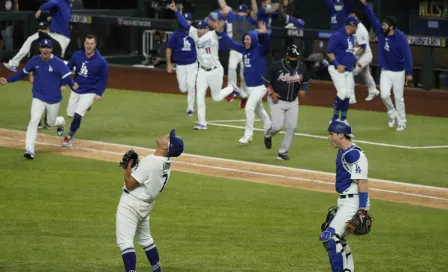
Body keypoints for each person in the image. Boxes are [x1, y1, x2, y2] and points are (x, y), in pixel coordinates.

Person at [116, 129, 184, 272]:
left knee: (125, 242)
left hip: (131, 204)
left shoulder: (150, 163)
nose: (165, 135)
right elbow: (146, 176)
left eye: (168, 138)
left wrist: (127, 167)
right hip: (145, 206)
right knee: (146, 239)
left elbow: (129, 184)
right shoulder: (166, 162)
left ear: (166, 147)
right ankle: (157, 270)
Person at [0, 39, 78, 159]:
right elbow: (23, 73)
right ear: (40, 49)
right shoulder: (34, 60)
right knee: (34, 121)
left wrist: (74, 86)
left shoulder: (58, 63)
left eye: (48, 47)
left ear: (51, 49)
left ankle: (60, 122)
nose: (45, 49)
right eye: (43, 47)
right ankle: (29, 149)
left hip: (53, 99)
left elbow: (67, 77)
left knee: (50, 123)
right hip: (38, 97)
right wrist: (8, 80)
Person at [169, 2, 241, 131]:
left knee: (217, 97)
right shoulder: (194, 33)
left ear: (207, 29)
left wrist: (223, 18)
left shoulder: (213, 34)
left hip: (215, 70)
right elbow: (184, 23)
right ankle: (202, 123)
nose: (200, 30)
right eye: (199, 28)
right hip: (202, 71)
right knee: (199, 95)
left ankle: (232, 87)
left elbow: (219, 29)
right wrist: (175, 11)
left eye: (202, 28)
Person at [320, 120, 370, 272]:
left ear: (341, 135)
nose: (329, 138)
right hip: (345, 201)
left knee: (329, 238)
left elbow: (362, 182)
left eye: (331, 134)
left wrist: (361, 210)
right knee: (339, 240)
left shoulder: (354, 155)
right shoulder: (343, 152)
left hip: (354, 202)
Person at [360, 0, 413, 131]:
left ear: (391, 27)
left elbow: (407, 55)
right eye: (382, 24)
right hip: (385, 71)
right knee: (384, 95)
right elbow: (372, 19)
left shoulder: (400, 37)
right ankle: (391, 113)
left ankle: (402, 121)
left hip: (399, 72)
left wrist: (409, 72)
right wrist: (365, 5)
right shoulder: (380, 32)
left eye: (385, 25)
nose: (382, 27)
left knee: (399, 98)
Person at [217, 20, 272, 144]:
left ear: (253, 39)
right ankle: (269, 126)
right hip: (249, 87)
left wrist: (265, 34)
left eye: (248, 39)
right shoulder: (243, 49)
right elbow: (231, 43)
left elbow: (268, 46)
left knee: (248, 108)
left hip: (260, 87)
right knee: (258, 109)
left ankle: (248, 135)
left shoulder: (260, 50)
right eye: (245, 39)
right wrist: (221, 33)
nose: (246, 41)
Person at [262, 44, 311, 160]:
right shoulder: (276, 66)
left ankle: (283, 152)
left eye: (295, 56)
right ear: (287, 55)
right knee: (277, 126)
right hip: (277, 100)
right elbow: (265, 80)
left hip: (293, 101)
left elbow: (307, 80)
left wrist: (304, 89)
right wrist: (272, 93)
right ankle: (268, 135)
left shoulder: (302, 67)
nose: (294, 59)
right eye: (292, 56)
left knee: (292, 127)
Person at [62, 34, 108, 147]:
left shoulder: (101, 61)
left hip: (90, 91)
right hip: (76, 89)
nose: (89, 46)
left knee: (78, 115)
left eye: (91, 44)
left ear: (95, 45)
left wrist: (99, 93)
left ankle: (69, 137)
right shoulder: (77, 56)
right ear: (84, 44)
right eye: (87, 43)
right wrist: (65, 84)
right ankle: (86, 106)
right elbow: (66, 70)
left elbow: (104, 79)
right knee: (70, 114)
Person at [2, 0, 72, 72]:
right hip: (52, 33)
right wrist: (52, 18)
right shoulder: (66, 5)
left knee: (57, 61)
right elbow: (60, 15)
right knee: (30, 39)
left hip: (62, 37)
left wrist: (40, 9)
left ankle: (73, 66)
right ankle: (13, 63)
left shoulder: (61, 1)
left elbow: (53, 3)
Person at [217, 0, 258, 109]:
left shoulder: (250, 20)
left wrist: (253, 1)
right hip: (235, 48)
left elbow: (255, 12)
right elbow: (223, 6)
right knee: (231, 68)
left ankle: (244, 96)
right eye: (239, 12)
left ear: (246, 13)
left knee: (243, 75)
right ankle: (232, 89)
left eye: (242, 12)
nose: (240, 14)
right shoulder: (233, 17)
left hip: (246, 50)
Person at [27, 21, 63, 130]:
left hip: (53, 77)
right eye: (39, 29)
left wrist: (62, 82)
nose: (41, 31)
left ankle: (50, 121)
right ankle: (37, 120)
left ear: (48, 29)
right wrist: (31, 74)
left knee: (49, 99)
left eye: (43, 29)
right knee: (38, 97)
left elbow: (60, 64)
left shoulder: (55, 44)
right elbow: (31, 61)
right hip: (39, 76)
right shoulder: (34, 43)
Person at [326, 16, 359, 123]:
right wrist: (337, 64)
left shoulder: (352, 37)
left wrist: (355, 61)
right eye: (354, 26)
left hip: (348, 70)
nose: (356, 29)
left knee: (349, 93)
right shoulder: (337, 36)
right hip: (336, 69)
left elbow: (348, 53)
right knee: (342, 92)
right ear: (348, 26)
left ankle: (343, 119)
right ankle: (334, 119)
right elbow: (329, 51)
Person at [166, 12, 198, 117]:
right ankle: (190, 94)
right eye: (185, 20)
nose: (186, 22)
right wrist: (169, 64)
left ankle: (190, 109)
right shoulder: (175, 35)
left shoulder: (193, 32)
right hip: (180, 65)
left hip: (192, 63)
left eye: (188, 20)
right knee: (183, 88)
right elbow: (169, 49)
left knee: (191, 85)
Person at [348, 9, 379, 104]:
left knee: (350, 73)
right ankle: (373, 90)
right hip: (359, 55)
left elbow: (363, 47)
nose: (351, 17)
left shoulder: (361, 29)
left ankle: (351, 97)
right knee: (365, 74)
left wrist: (353, 57)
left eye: (353, 15)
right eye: (350, 15)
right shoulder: (352, 27)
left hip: (365, 55)